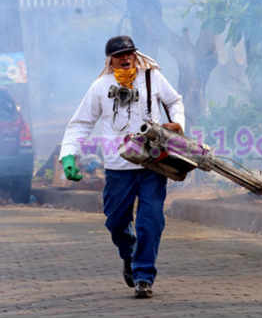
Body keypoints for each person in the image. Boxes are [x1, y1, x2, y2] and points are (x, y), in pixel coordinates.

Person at [59, 36, 185, 299]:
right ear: (110, 60)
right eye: (119, 55)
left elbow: (175, 101)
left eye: (129, 53)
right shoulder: (100, 86)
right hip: (118, 167)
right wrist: (69, 156)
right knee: (116, 222)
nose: (125, 58)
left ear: (135, 54)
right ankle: (129, 255)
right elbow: (81, 123)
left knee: (150, 222)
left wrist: (177, 122)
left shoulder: (152, 78)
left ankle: (143, 276)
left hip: (153, 163)